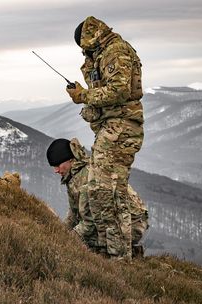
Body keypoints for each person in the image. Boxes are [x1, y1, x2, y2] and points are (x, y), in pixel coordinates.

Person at [65, 16, 144, 259]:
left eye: (84, 46)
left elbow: (118, 91)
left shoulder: (116, 51)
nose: (83, 51)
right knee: (105, 191)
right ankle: (115, 252)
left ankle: (118, 256)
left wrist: (84, 96)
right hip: (112, 127)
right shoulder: (103, 54)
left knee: (105, 191)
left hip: (120, 128)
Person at [47, 138, 148, 257]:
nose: (56, 170)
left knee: (90, 248)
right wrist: (61, 232)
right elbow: (74, 213)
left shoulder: (87, 180)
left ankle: (129, 254)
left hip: (131, 223)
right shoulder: (75, 177)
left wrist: (68, 239)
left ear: (70, 160)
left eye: (58, 165)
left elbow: (90, 223)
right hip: (124, 219)